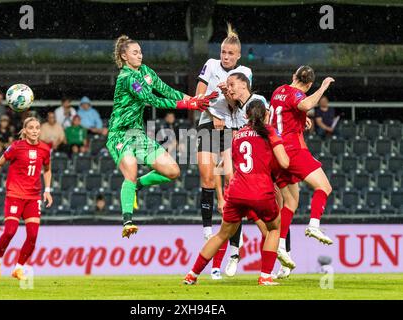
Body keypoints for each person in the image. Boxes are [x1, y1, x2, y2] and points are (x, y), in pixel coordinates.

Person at [108, 34, 217, 238]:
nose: (140, 55)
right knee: (130, 171)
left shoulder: (146, 71)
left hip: (137, 134)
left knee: (173, 171)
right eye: (134, 52)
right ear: (124, 56)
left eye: (140, 51)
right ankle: (127, 220)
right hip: (119, 135)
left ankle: (136, 186)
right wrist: (187, 105)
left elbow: (165, 90)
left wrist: (192, 100)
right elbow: (152, 100)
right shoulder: (126, 78)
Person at [183, 99, 289, 286]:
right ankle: (265, 276)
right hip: (261, 191)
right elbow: (285, 162)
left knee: (221, 235)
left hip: (237, 191)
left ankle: (192, 275)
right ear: (266, 115)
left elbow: (224, 167)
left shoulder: (237, 135)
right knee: (274, 229)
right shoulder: (269, 132)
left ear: (246, 115)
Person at [195, 24, 252, 280]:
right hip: (209, 123)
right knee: (207, 177)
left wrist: (228, 97)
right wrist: (212, 114)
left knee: (233, 185)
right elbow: (197, 98)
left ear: (238, 55)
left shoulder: (244, 72)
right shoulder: (210, 65)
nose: (225, 56)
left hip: (233, 127)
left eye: (230, 53)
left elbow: (241, 102)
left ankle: (233, 250)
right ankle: (208, 230)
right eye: (223, 51)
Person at [269, 66, 335, 269]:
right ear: (308, 84)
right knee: (324, 187)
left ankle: (280, 245)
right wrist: (322, 88)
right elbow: (305, 102)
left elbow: (280, 116)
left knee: (290, 202)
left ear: (293, 77)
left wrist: (300, 119)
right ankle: (314, 225)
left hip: (275, 152)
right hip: (293, 150)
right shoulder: (297, 94)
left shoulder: (278, 91)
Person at [0, 117, 52, 281]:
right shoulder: (16, 147)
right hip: (15, 195)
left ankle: (18, 268)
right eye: (31, 128)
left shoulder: (45, 149)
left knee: (32, 236)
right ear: (24, 130)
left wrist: (48, 190)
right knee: (10, 231)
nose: (35, 130)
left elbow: (47, 170)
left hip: (33, 197)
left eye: (37, 127)